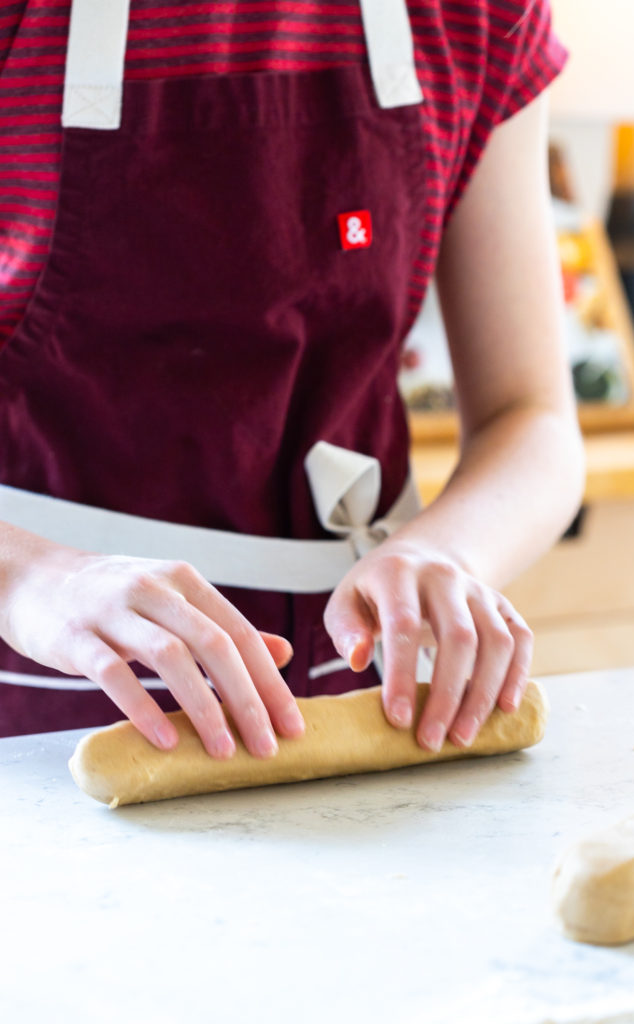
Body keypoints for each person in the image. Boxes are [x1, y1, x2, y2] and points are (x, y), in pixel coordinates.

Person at [0, 0, 584, 760]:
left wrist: (450, 553)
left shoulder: (471, 14)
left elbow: (530, 414)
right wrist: (28, 578)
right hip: (44, 698)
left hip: (361, 697)